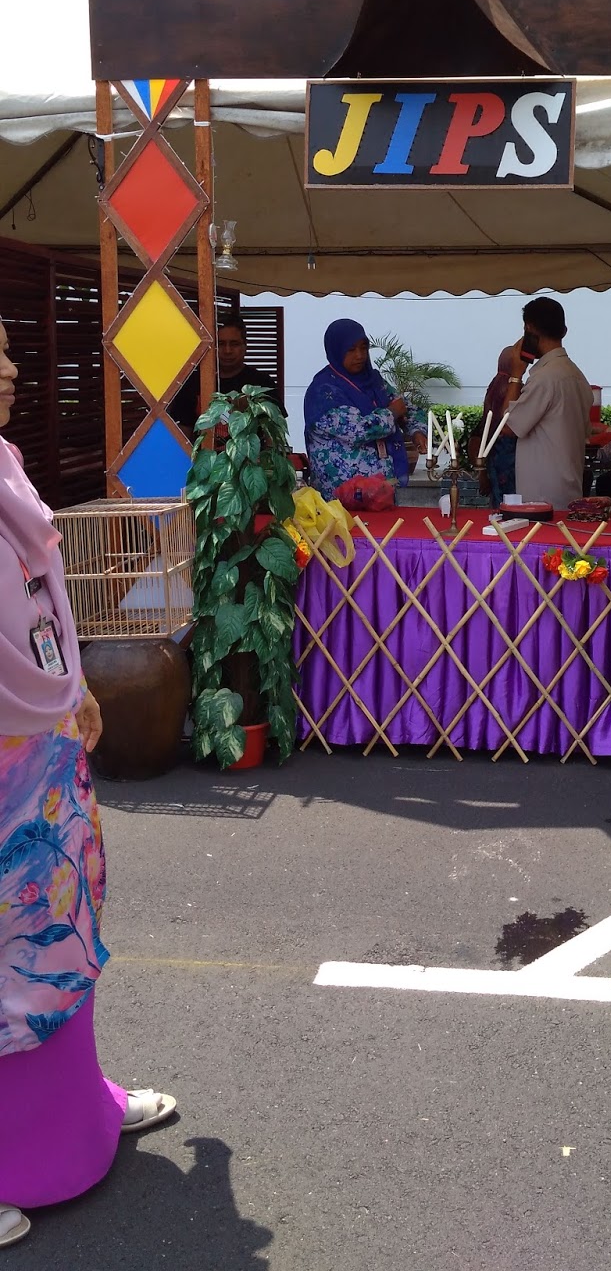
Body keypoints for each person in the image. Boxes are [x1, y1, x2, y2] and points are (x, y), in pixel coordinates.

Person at [0, 319, 175, 1249]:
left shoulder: (7, 466)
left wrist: (73, 688)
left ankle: (80, 1112)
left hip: (42, 741)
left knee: (56, 931)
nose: (10, 367)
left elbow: (43, 598)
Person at [304, 319, 427, 501]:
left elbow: (405, 406)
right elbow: (358, 430)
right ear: (336, 350)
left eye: (364, 348)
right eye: (351, 349)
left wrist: (417, 431)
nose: (360, 355)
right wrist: (392, 413)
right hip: (341, 498)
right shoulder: (323, 390)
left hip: (380, 492)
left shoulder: (373, 381)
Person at [501, 297, 592, 511]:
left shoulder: (545, 378)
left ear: (529, 329)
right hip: (568, 486)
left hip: (542, 494)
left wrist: (516, 374)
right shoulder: (577, 376)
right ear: (564, 331)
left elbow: (507, 426)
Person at [170, 316, 287, 437]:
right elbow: (182, 434)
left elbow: (275, 433)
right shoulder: (193, 383)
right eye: (221, 344)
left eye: (234, 344)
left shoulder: (262, 383)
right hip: (203, 449)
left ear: (245, 346)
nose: (227, 351)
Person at [474, 346, 518, 505]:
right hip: (509, 458)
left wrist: (482, 471)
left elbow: (480, 431)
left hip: (493, 457)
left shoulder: (493, 387)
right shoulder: (514, 388)